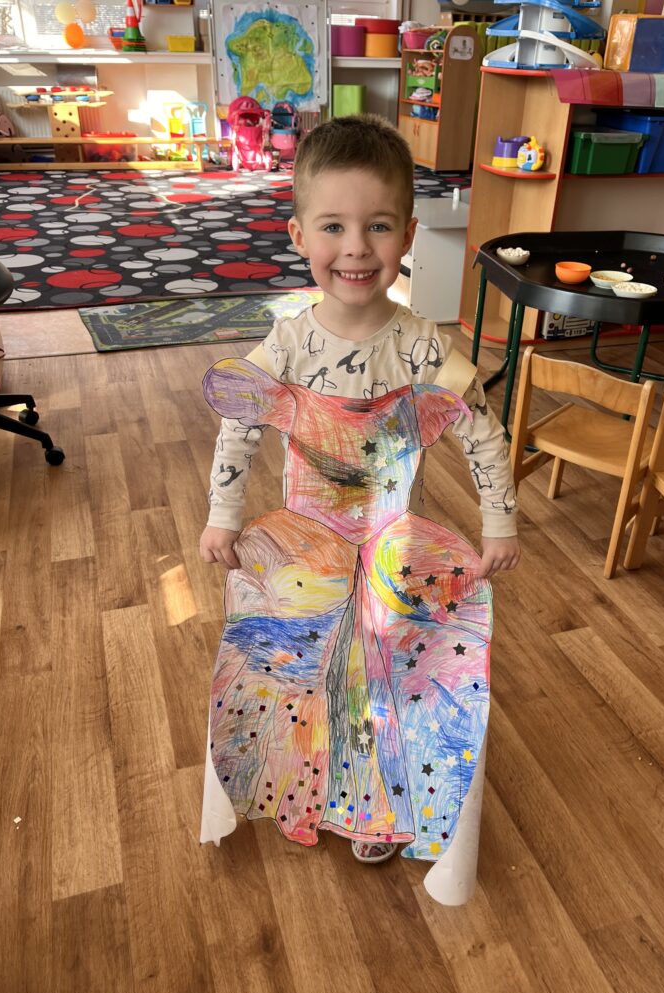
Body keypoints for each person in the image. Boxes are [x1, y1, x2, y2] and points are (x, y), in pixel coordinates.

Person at [198, 114, 519, 894]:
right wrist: (224, 514)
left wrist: (499, 520)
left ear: (407, 234)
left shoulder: (422, 346)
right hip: (305, 545)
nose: (356, 248)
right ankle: (307, 786)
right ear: (298, 235)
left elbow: (481, 429)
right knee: (298, 670)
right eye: (333, 226)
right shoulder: (287, 344)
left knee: (390, 674)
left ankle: (377, 804)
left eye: (378, 226)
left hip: (391, 546)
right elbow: (238, 424)